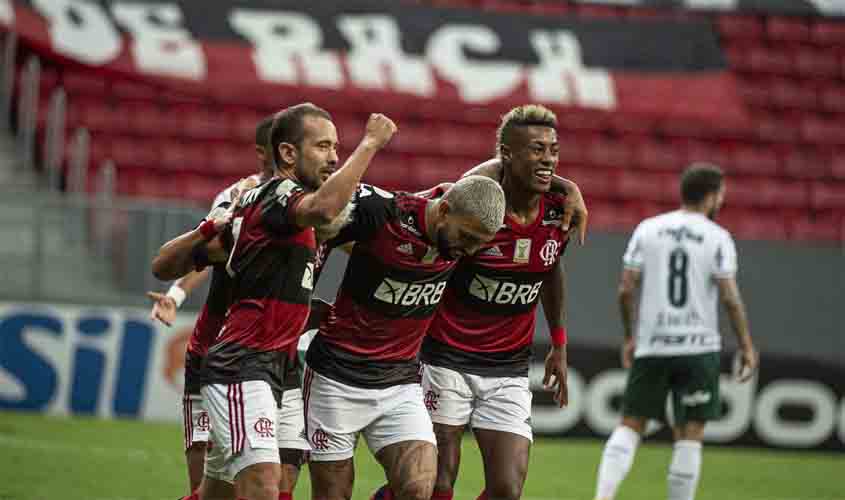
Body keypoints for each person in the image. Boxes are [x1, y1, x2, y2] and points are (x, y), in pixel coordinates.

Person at [303, 175, 507, 500]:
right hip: (334, 379)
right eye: (467, 237)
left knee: (418, 487)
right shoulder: (384, 213)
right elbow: (318, 222)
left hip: (399, 382)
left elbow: (501, 168)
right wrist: (300, 300)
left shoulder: (457, 225)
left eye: (478, 244)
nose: (469, 250)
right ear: (444, 211)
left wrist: (567, 188)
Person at [416, 104, 572, 500]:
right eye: (536, 149)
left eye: (553, 150)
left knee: (507, 490)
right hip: (446, 357)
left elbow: (551, 269)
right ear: (507, 154)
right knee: (437, 483)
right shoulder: (476, 210)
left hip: (508, 367)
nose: (548, 159)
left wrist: (558, 343)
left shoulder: (559, 213)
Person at [593, 163, 758, 500]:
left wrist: (630, 336)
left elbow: (625, 289)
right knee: (689, 436)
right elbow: (730, 297)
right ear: (710, 196)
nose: (721, 201)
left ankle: (603, 497)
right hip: (699, 348)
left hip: (653, 345)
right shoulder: (717, 237)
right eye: (720, 195)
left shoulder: (648, 229)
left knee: (631, 424)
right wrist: (746, 345)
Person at [148, 116, 275, 500]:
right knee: (206, 479)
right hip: (216, 348)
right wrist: (175, 296)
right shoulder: (238, 196)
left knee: (274, 476)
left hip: (271, 356)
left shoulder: (315, 206)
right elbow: (206, 255)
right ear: (265, 152)